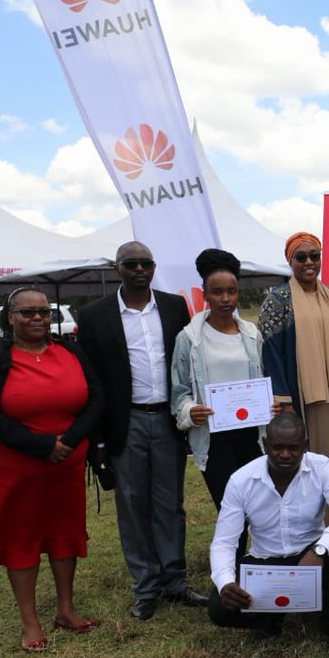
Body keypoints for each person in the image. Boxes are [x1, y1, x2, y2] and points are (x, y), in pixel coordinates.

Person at [0, 288, 104, 652]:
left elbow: (96, 397)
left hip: (68, 461)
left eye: (44, 311)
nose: (38, 318)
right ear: (10, 316)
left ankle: (66, 609)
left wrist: (69, 441)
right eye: (28, 313)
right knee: (20, 536)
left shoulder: (70, 350)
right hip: (16, 463)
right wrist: (42, 445)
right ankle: (29, 620)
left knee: (65, 531)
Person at [78, 242, 206, 621]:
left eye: (145, 263)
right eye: (131, 264)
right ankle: (146, 586)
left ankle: (175, 581)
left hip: (166, 419)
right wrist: (97, 440)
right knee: (132, 506)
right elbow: (92, 381)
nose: (139, 269)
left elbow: (185, 364)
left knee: (170, 503)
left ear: (153, 267)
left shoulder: (173, 307)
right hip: (125, 421)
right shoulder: (95, 316)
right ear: (117, 269)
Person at [208, 412, 329, 651]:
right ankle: (270, 619)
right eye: (278, 447)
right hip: (265, 561)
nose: (286, 454)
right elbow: (224, 543)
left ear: (305, 446)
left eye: (293, 447)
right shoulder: (241, 480)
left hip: (310, 557)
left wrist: (320, 550)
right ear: (265, 444)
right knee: (220, 607)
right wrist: (225, 582)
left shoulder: (320, 467)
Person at [260, 232, 329, 506]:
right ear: (290, 261)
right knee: (307, 461)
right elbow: (270, 352)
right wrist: (284, 400)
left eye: (314, 256)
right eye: (300, 257)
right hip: (300, 396)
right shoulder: (278, 299)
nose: (309, 262)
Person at [171, 249, 267, 508]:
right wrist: (191, 411)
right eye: (217, 292)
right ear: (206, 295)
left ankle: (249, 551)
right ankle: (232, 551)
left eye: (232, 291)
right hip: (213, 439)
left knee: (255, 507)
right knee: (229, 508)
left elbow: (262, 380)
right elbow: (179, 392)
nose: (226, 298)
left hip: (250, 435)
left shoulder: (251, 334)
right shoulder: (189, 339)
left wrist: (269, 403)